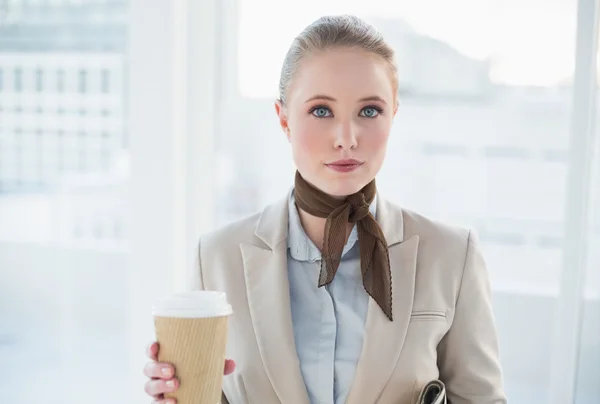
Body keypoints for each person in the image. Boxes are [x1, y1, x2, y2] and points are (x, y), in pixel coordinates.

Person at [143, 15, 507, 404]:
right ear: (284, 119)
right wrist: (178, 394)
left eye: (369, 111)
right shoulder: (217, 256)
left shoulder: (452, 255)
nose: (346, 139)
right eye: (321, 111)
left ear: (394, 115)